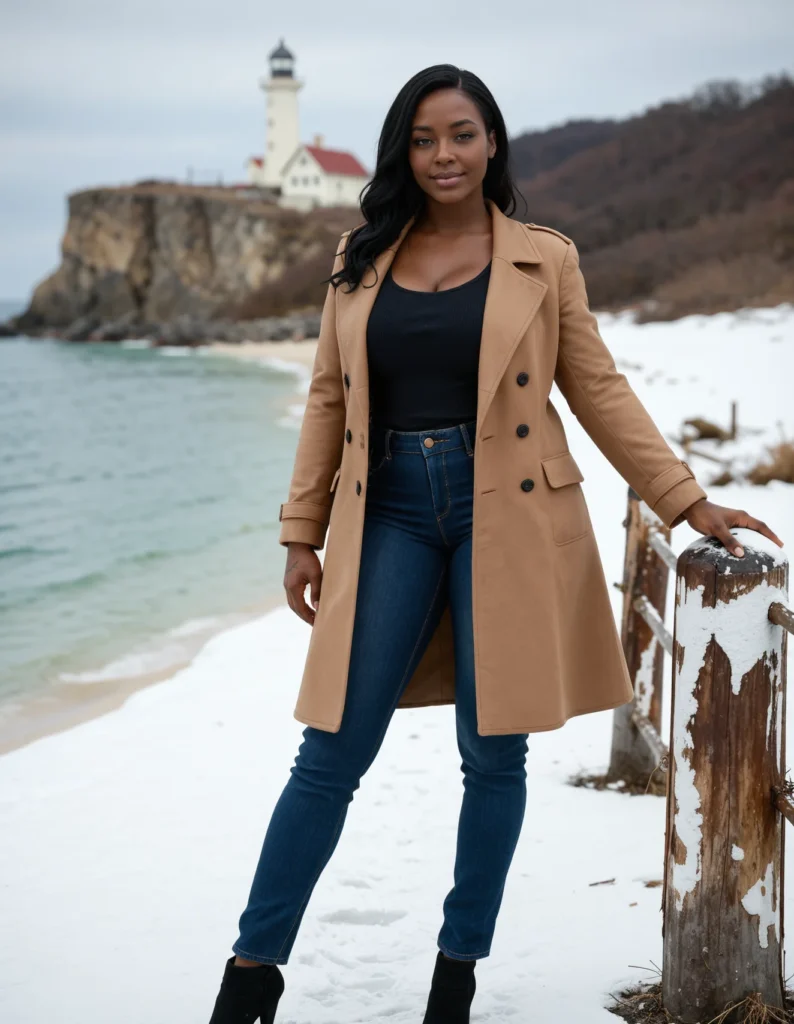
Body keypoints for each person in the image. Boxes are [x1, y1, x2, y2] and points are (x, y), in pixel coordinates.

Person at [208, 64, 784, 1024]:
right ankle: (250, 971)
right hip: (386, 506)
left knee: (493, 752)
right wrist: (300, 533)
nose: (444, 155)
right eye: (426, 138)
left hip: (506, 514)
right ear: (404, 148)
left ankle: (456, 970)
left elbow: (595, 386)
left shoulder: (543, 258)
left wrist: (688, 502)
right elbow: (327, 398)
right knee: (330, 751)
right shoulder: (360, 256)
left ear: (492, 143)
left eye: (463, 134)